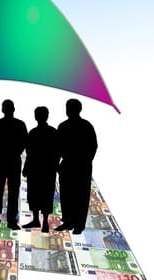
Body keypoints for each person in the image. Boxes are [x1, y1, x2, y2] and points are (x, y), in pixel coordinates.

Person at [55, 99, 98, 235]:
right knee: (71, 195)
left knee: (76, 195)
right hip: (76, 165)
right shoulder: (85, 126)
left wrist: (84, 161)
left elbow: (93, 146)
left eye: (69, 107)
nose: (68, 110)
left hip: (76, 165)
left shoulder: (65, 126)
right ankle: (71, 222)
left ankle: (77, 224)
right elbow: (93, 146)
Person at [0, 99, 28, 232]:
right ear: (13, 109)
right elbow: (24, 143)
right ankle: (11, 221)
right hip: (14, 161)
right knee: (13, 192)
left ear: (2, 109)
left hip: (0, 160)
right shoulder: (20, 124)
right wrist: (15, 152)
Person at [22, 106, 59, 233]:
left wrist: (26, 167)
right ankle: (43, 222)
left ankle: (38, 220)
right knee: (45, 195)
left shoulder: (33, 133)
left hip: (36, 168)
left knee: (36, 194)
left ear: (36, 116)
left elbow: (29, 153)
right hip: (47, 169)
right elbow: (57, 151)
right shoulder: (53, 132)